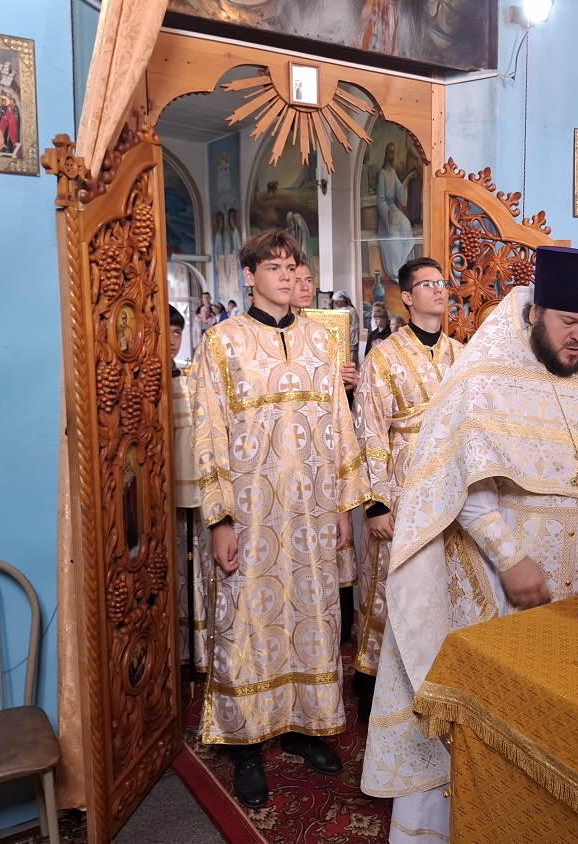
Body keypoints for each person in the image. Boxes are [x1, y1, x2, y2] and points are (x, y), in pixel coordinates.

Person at [360, 246, 578, 842]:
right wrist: (510, 557)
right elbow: (458, 481)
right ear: (537, 311)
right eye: (568, 322)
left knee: (566, 708)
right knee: (493, 713)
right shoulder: (486, 373)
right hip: (499, 578)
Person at [190, 228, 369, 809]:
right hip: (251, 512)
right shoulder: (221, 342)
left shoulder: (320, 340)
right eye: (274, 267)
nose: (288, 276)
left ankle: (303, 727)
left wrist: (342, 506)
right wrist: (220, 520)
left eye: (293, 267)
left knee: (312, 615)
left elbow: (338, 424)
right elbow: (208, 432)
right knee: (246, 620)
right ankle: (246, 745)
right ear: (249, 277)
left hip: (312, 510)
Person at [352, 257, 462, 725]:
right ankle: (373, 684)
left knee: (443, 579)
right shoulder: (383, 356)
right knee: (388, 579)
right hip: (399, 482)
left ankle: (436, 677)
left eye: (443, 282)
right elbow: (369, 430)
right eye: (427, 283)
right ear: (408, 296)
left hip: (450, 484)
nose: (439, 290)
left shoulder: (463, 355)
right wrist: (376, 503)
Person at [291, 253, 360, 646]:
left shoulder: (324, 335)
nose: (303, 287)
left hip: (323, 459)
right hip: (286, 463)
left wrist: (347, 386)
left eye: (308, 280)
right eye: (296, 279)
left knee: (333, 550)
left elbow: (337, 413)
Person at [168, 306, 209, 671]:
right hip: (163, 491)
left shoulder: (188, 378)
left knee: (196, 566)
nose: (172, 340)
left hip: (194, 485)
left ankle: (198, 646)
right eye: (166, 332)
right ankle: (176, 648)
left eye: (177, 333)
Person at [376, 141, 418, 279]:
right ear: (386, 154)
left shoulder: (393, 172)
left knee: (406, 223)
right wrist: (386, 212)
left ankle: (406, 267)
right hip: (386, 215)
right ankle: (397, 271)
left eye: (393, 152)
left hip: (393, 209)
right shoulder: (382, 173)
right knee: (394, 238)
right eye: (390, 152)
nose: (392, 155)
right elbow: (381, 198)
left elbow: (399, 191)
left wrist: (407, 179)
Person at [331, 289, 361, 363]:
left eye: (337, 302)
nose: (336, 304)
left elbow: (354, 327)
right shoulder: (337, 310)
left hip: (349, 338)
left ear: (342, 301)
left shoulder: (351, 310)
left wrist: (353, 344)